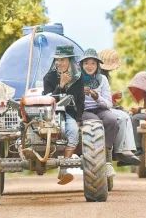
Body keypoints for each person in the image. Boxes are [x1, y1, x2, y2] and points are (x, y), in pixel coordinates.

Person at [42, 45, 84, 185]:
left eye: (63, 60)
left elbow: (80, 101)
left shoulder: (78, 78)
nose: (59, 63)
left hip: (68, 114)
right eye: (57, 60)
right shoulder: (49, 77)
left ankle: (64, 169)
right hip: (50, 114)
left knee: (72, 131)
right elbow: (48, 98)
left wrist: (78, 119)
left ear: (70, 61)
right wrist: (60, 85)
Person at [79, 48, 120, 178]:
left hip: (100, 108)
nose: (89, 66)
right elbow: (72, 101)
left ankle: (107, 158)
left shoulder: (102, 79)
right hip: (84, 111)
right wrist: (80, 93)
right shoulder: (76, 79)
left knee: (112, 120)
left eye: (93, 63)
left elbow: (108, 104)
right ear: (82, 65)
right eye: (86, 63)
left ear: (97, 65)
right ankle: (94, 158)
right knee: (94, 122)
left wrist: (97, 97)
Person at [98, 49, 140, 166]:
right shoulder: (98, 76)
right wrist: (112, 99)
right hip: (99, 107)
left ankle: (128, 150)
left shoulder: (105, 76)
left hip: (104, 105)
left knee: (127, 114)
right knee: (124, 116)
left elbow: (104, 97)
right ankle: (121, 151)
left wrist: (113, 99)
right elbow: (98, 98)